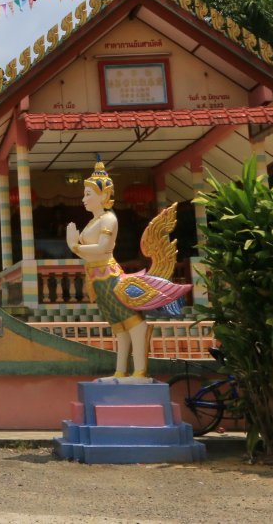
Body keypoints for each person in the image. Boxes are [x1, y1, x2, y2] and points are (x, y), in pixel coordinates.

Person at [66, 161, 189, 381]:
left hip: (111, 277)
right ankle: (120, 371)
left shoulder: (109, 218)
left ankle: (140, 371)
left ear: (103, 196)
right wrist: (75, 246)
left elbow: (103, 249)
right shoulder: (93, 222)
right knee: (119, 328)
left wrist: (74, 246)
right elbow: (88, 254)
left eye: (88, 194)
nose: (84, 199)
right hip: (97, 278)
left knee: (134, 324)